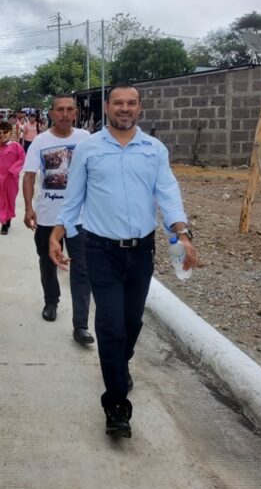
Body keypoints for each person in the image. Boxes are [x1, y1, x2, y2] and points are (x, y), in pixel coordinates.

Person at [49, 85, 198, 439]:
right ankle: (116, 405)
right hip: (100, 250)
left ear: (140, 108)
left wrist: (182, 232)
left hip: (141, 252)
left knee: (131, 323)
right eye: (118, 103)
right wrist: (58, 232)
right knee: (111, 325)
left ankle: (119, 364)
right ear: (107, 107)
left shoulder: (154, 150)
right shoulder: (89, 149)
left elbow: (167, 193)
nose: (125, 108)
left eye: (131, 103)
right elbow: (74, 197)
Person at [23, 95, 93, 345]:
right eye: (59, 110)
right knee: (47, 262)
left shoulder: (86, 138)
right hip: (48, 216)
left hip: (80, 218)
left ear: (75, 113)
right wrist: (28, 208)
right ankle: (51, 301)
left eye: (69, 109)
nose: (64, 114)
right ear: (51, 114)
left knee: (82, 270)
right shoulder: (40, 141)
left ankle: (81, 325)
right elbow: (29, 176)